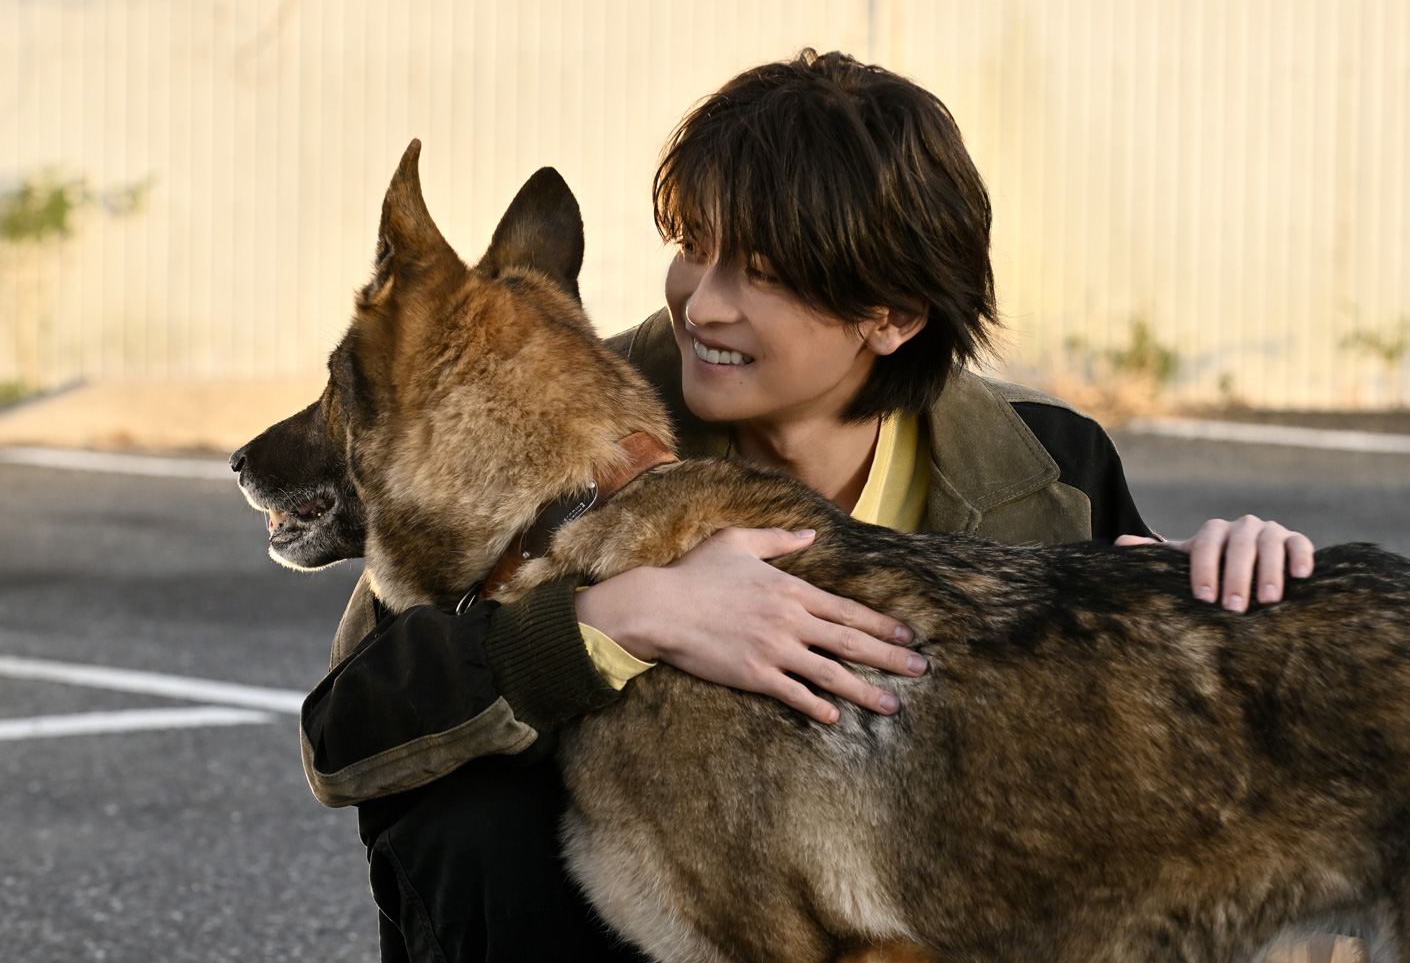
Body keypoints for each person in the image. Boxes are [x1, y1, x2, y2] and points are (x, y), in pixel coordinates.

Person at [300, 49, 1314, 962]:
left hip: (888, 904)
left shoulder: (1045, 463)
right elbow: (353, 729)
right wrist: (609, 621)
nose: (701, 303)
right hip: (628, 909)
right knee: (475, 818)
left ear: (892, 316)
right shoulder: (565, 425)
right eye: (693, 244)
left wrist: (1235, 591)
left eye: (762, 276)